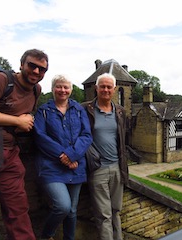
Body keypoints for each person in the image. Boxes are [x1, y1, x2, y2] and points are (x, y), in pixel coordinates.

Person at [0, 49, 48, 240]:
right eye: (32, 66)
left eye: (42, 69)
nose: (36, 72)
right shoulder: (0, 81)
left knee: (18, 208)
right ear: (21, 65)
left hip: (9, 153)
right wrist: (17, 122)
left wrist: (25, 122)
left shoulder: (36, 90)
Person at [34, 74, 92, 240]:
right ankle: (46, 236)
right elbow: (40, 136)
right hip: (51, 167)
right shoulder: (43, 111)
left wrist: (72, 155)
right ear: (53, 89)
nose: (62, 90)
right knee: (63, 206)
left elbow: (86, 135)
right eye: (59, 86)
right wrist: (63, 156)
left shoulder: (79, 110)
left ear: (71, 89)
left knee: (72, 210)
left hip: (76, 166)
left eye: (66, 87)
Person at [82, 73, 129, 240]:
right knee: (103, 215)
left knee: (116, 210)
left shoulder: (121, 112)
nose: (106, 89)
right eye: (102, 86)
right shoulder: (85, 109)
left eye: (109, 87)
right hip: (97, 169)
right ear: (96, 88)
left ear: (114, 89)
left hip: (117, 167)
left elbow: (124, 139)